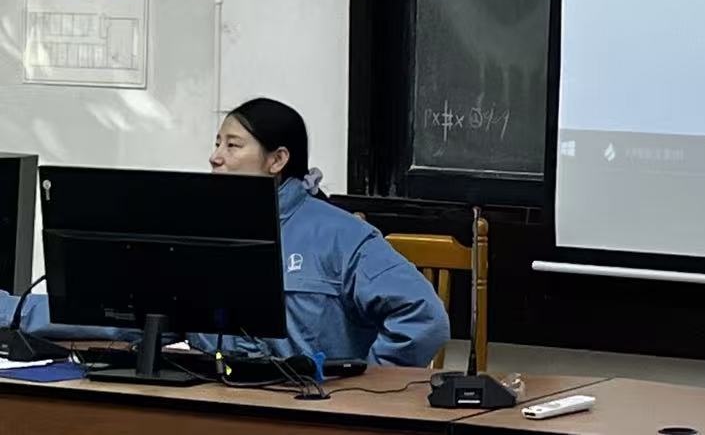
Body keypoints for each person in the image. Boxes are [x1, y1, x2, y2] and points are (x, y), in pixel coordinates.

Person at [0, 98, 451, 366]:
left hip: (308, 413)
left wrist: (365, 382)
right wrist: (9, 311)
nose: (215, 157)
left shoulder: (341, 236)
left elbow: (423, 319)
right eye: (217, 143)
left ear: (277, 160)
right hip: (216, 399)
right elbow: (126, 313)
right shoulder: (197, 231)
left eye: (232, 146)